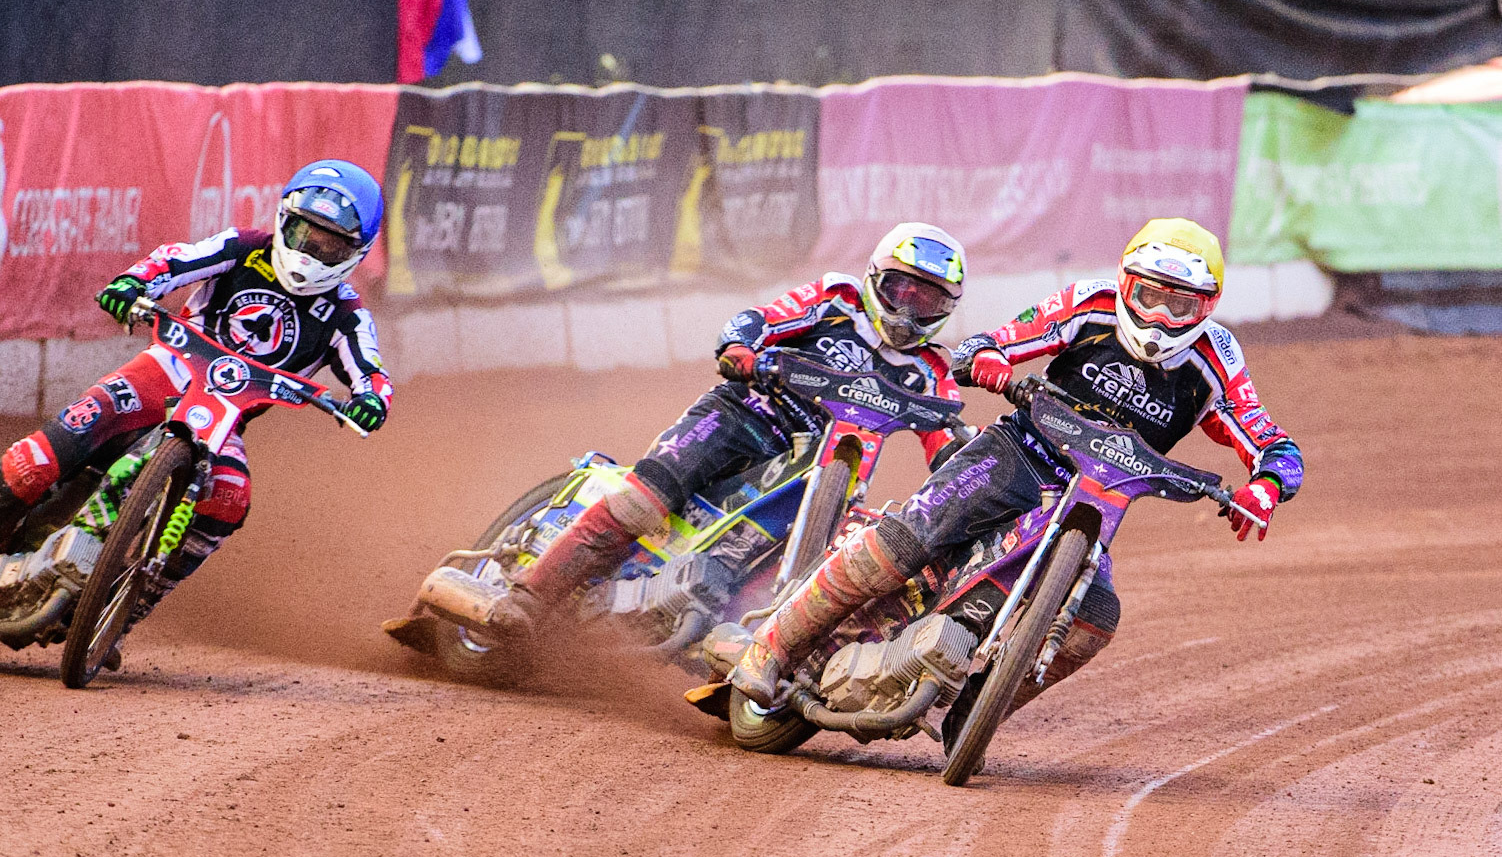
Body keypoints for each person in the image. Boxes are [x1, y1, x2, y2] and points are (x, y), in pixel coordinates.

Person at [730, 217, 1305, 708]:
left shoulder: (1217, 358)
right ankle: (772, 646)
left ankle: (975, 714)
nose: (1158, 316)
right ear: (1127, 283)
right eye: (1149, 295)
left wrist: (1266, 487)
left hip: (1097, 496)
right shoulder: (1091, 304)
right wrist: (989, 361)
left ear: (1207, 306)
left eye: (1179, 304)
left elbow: (1271, 439)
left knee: (1094, 618)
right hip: (1021, 451)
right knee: (911, 536)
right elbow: (990, 342)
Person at [0, 159, 393, 634]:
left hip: (223, 420)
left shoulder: (348, 316)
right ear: (284, 219)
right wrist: (132, 284)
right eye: (305, 232)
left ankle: (127, 606)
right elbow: (176, 260)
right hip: (161, 372)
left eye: (330, 244)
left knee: (230, 499)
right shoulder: (243, 247)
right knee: (38, 458)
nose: (311, 251)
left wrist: (371, 400)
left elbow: (371, 371)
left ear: (356, 251)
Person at [480, 222, 972, 638]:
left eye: (926, 300)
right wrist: (741, 348)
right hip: (746, 417)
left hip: (822, 475)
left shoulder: (931, 370)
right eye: (899, 290)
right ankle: (529, 595)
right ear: (874, 278)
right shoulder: (836, 301)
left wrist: (962, 467)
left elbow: (944, 435)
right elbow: (758, 320)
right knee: (645, 499)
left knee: (840, 556)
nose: (908, 310)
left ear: (946, 309)